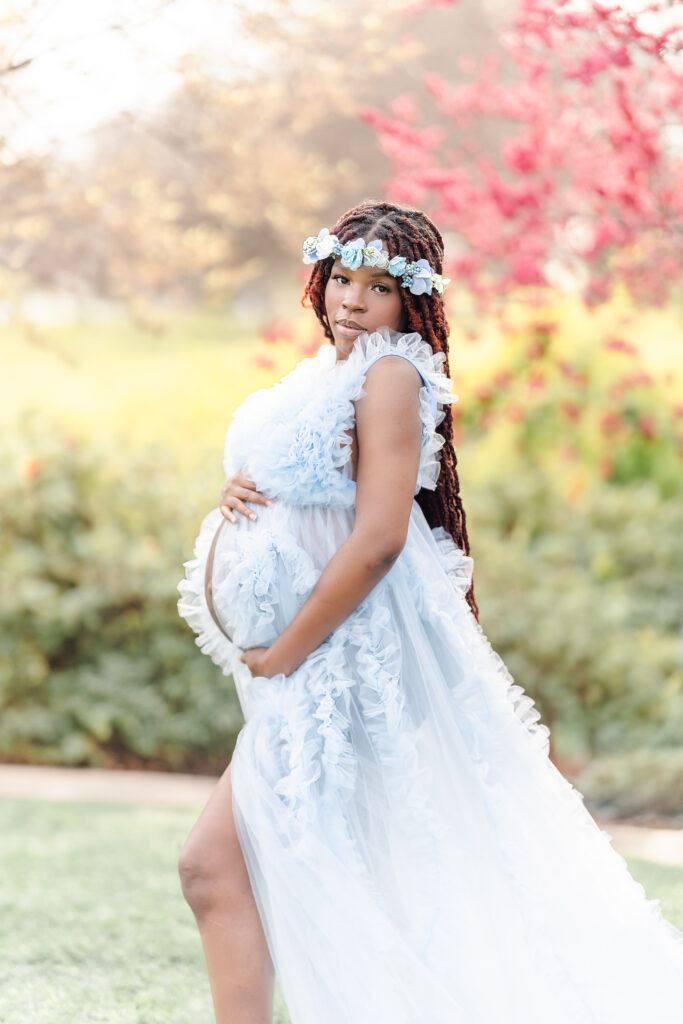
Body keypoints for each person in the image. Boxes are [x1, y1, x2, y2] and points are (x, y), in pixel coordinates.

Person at [176, 199, 683, 1024]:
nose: (351, 298)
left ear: (412, 301)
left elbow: (377, 538)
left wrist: (288, 652)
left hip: (331, 662)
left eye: (378, 287)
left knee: (220, 865)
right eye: (342, 277)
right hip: (300, 668)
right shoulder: (325, 373)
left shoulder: (390, 374)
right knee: (241, 870)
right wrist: (242, 492)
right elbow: (316, 491)